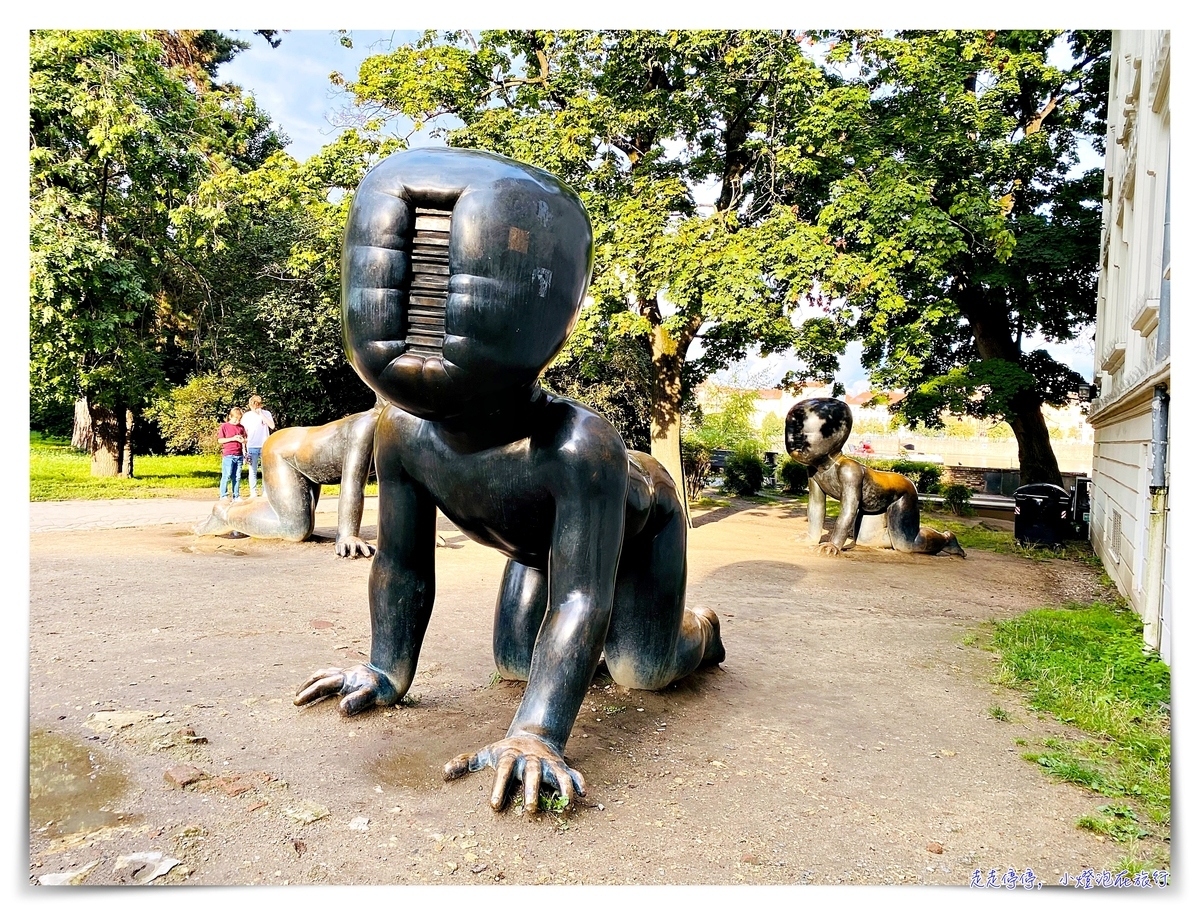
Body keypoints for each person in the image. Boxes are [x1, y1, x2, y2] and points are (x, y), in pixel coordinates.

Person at [241, 394, 276, 498]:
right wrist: (244, 449)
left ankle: (265, 491)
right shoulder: (247, 416)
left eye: (257, 406)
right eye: (253, 406)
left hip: (265, 445)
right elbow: (244, 432)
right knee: (252, 470)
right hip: (251, 446)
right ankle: (253, 492)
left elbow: (272, 426)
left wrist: (261, 415)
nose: (255, 408)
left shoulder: (266, 413)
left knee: (266, 470)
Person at [217, 407, 248, 501]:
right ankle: (224, 495)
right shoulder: (224, 426)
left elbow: (246, 440)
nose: (237, 421)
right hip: (228, 455)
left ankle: (236, 495)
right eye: (235, 419)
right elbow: (220, 440)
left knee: (237, 476)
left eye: (239, 419)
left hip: (239, 455)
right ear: (230, 417)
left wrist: (243, 441)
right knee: (227, 475)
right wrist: (233, 438)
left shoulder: (241, 427)